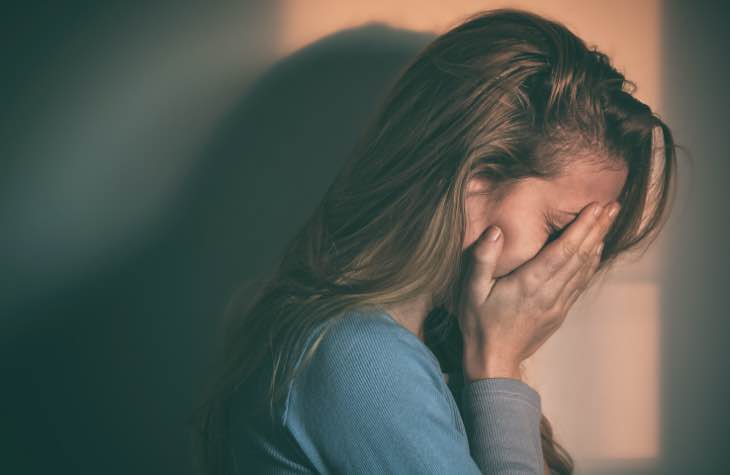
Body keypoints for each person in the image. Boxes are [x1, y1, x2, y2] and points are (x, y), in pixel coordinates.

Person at [190, 8, 677, 475]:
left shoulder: (416, 345)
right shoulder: (358, 358)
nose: (574, 263)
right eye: (560, 228)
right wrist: (499, 364)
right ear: (475, 177)